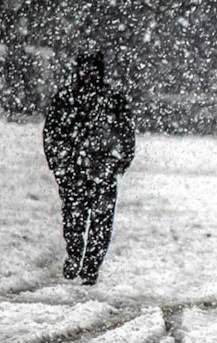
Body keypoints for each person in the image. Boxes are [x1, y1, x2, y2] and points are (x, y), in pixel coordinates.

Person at [43, 51, 135, 285]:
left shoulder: (112, 100)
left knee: (100, 224)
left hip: (101, 172)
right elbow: (51, 134)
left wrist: (117, 165)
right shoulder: (66, 99)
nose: (89, 76)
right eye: (86, 70)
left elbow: (126, 136)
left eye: (93, 71)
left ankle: (91, 266)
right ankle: (75, 256)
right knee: (74, 220)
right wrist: (59, 165)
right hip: (74, 172)